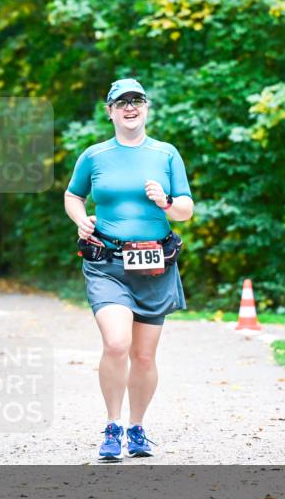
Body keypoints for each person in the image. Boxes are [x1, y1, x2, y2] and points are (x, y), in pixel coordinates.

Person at [64, 78, 194, 461]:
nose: (130, 107)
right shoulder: (94, 156)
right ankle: (112, 426)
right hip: (107, 263)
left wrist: (166, 201)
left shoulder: (166, 154)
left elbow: (186, 210)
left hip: (154, 265)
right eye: (122, 102)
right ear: (110, 111)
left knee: (144, 356)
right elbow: (73, 195)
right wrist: (80, 219)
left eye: (137, 100)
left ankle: (137, 428)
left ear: (147, 107)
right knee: (116, 343)